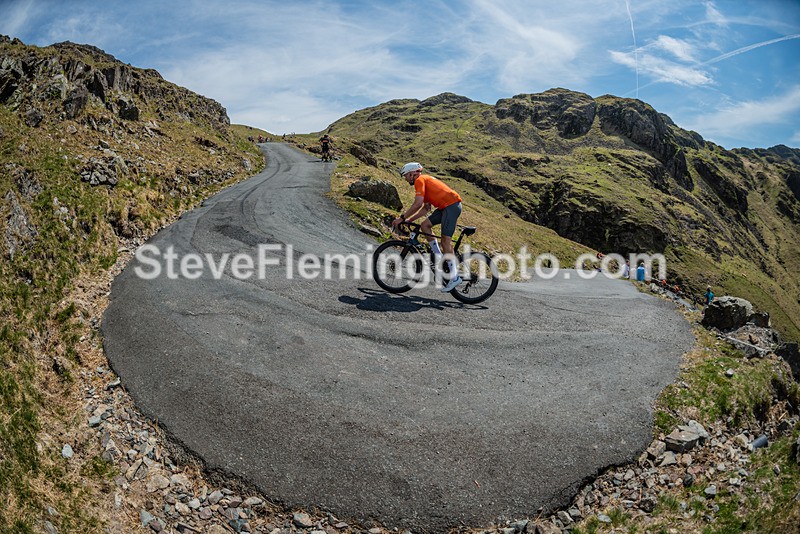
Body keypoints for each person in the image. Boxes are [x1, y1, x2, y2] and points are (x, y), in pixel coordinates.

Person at [392, 162, 463, 292]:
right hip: (446, 207)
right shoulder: (424, 181)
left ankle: (454, 277)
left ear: (412, 173)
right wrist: (409, 220)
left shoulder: (420, 180)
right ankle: (439, 257)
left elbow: (417, 204)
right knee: (425, 225)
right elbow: (425, 209)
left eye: (406, 176)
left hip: (451, 206)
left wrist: (401, 218)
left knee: (445, 241)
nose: (405, 179)